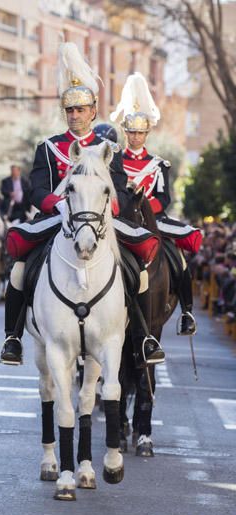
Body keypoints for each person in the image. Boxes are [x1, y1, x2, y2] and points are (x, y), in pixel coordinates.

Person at [0, 42, 163, 368]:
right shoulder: (48, 147)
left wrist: (109, 208)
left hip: (98, 220)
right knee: (19, 269)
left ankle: (145, 337)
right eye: (70, 111)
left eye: (81, 110)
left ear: (93, 111)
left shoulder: (108, 150)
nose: (75, 116)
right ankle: (13, 337)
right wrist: (55, 204)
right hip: (58, 217)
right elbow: (36, 189)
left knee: (139, 270)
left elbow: (118, 190)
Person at [110, 72, 202, 335]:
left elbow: (165, 198)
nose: (135, 137)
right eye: (131, 132)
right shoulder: (115, 161)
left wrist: (147, 207)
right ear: (125, 132)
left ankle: (186, 311)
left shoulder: (159, 164)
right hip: (123, 219)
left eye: (140, 133)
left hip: (153, 220)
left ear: (147, 132)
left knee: (178, 259)